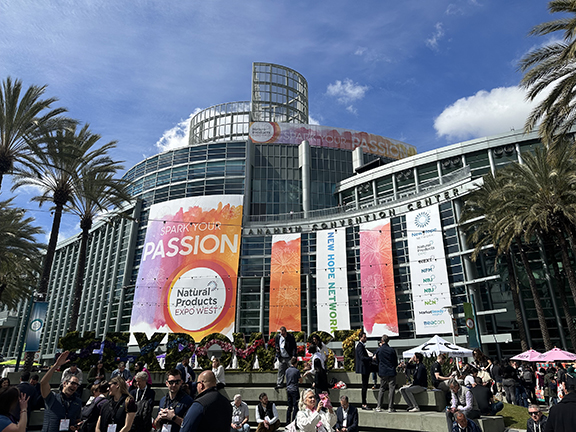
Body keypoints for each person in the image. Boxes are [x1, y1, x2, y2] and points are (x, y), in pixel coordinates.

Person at [40, 351, 83, 432]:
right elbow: (43, 383)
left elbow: (77, 420)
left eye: (77, 385)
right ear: (64, 383)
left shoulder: (77, 402)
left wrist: (75, 426)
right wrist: (56, 365)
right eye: (73, 383)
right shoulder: (52, 397)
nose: (75, 386)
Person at [375, 335, 397, 413]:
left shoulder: (379, 350)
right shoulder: (392, 350)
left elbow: (377, 361)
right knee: (392, 389)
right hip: (391, 371)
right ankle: (390, 407)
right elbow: (395, 362)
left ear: (382, 340)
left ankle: (379, 406)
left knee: (382, 388)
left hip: (383, 371)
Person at [354, 331, 372, 410]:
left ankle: (364, 403)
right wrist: (371, 358)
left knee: (365, 386)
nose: (366, 338)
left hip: (364, 368)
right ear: (360, 338)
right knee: (364, 386)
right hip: (364, 368)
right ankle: (364, 403)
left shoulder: (360, 346)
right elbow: (362, 358)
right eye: (364, 337)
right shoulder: (360, 346)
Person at [285, 357, 301, 424]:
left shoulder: (287, 370)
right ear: (296, 363)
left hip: (288, 389)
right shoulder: (297, 371)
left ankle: (287, 422)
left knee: (289, 407)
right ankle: (293, 422)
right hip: (295, 389)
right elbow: (301, 381)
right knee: (296, 406)